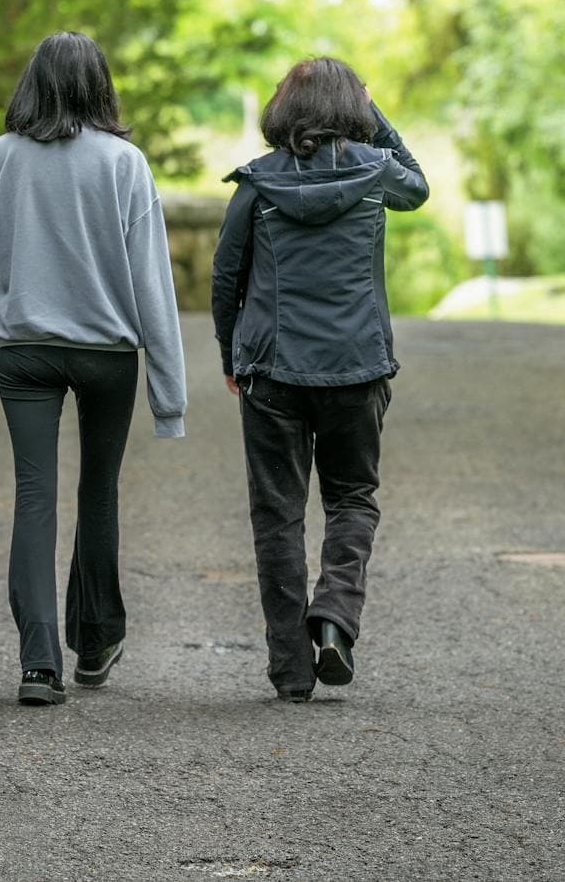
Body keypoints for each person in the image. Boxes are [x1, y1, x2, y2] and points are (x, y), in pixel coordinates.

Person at [0, 32, 187, 707]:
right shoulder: (126, 164)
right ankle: (96, 637)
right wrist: (168, 398)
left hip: (25, 352)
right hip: (108, 354)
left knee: (35, 495)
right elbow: (153, 286)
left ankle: (37, 663)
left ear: (32, 84)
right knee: (97, 490)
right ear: (101, 86)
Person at [210, 57, 429, 702]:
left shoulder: (255, 185)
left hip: (273, 372)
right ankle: (334, 617)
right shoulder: (374, 173)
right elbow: (417, 186)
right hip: (357, 368)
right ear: (352, 113)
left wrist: (230, 355)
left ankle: (290, 669)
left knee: (277, 516)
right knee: (352, 497)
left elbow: (226, 276)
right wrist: (373, 109)